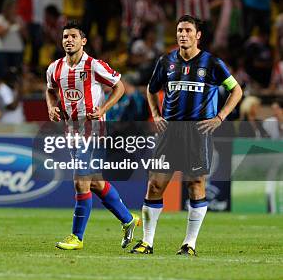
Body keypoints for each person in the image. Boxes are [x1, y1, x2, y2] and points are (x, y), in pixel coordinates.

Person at [131, 15, 243, 256]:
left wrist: (220, 117)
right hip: (169, 130)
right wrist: (156, 115)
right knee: (155, 184)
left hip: (197, 131)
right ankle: (147, 242)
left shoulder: (212, 63)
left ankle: (189, 244)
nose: (183, 34)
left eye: (188, 30)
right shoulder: (166, 61)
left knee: (195, 184)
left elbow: (236, 90)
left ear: (198, 35)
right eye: (180, 30)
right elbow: (151, 90)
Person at [45, 20, 140, 251]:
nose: (68, 40)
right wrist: (51, 106)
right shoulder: (54, 68)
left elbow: (119, 87)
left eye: (73, 36)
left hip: (94, 131)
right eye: (65, 36)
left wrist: (103, 109)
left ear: (83, 41)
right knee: (95, 182)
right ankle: (128, 219)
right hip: (71, 131)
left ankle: (76, 237)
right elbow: (50, 90)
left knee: (80, 182)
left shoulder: (94, 66)